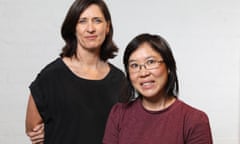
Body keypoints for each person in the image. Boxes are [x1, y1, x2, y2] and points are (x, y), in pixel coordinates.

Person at [25, 0, 125, 143]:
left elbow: (127, 128)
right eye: (82, 21)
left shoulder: (120, 80)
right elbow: (33, 130)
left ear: (107, 27)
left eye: (97, 21)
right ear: (73, 28)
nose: (90, 28)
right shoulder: (51, 77)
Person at [103, 33, 213, 144]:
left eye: (151, 62)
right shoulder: (119, 114)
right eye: (135, 65)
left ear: (169, 67)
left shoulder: (194, 120)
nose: (143, 73)